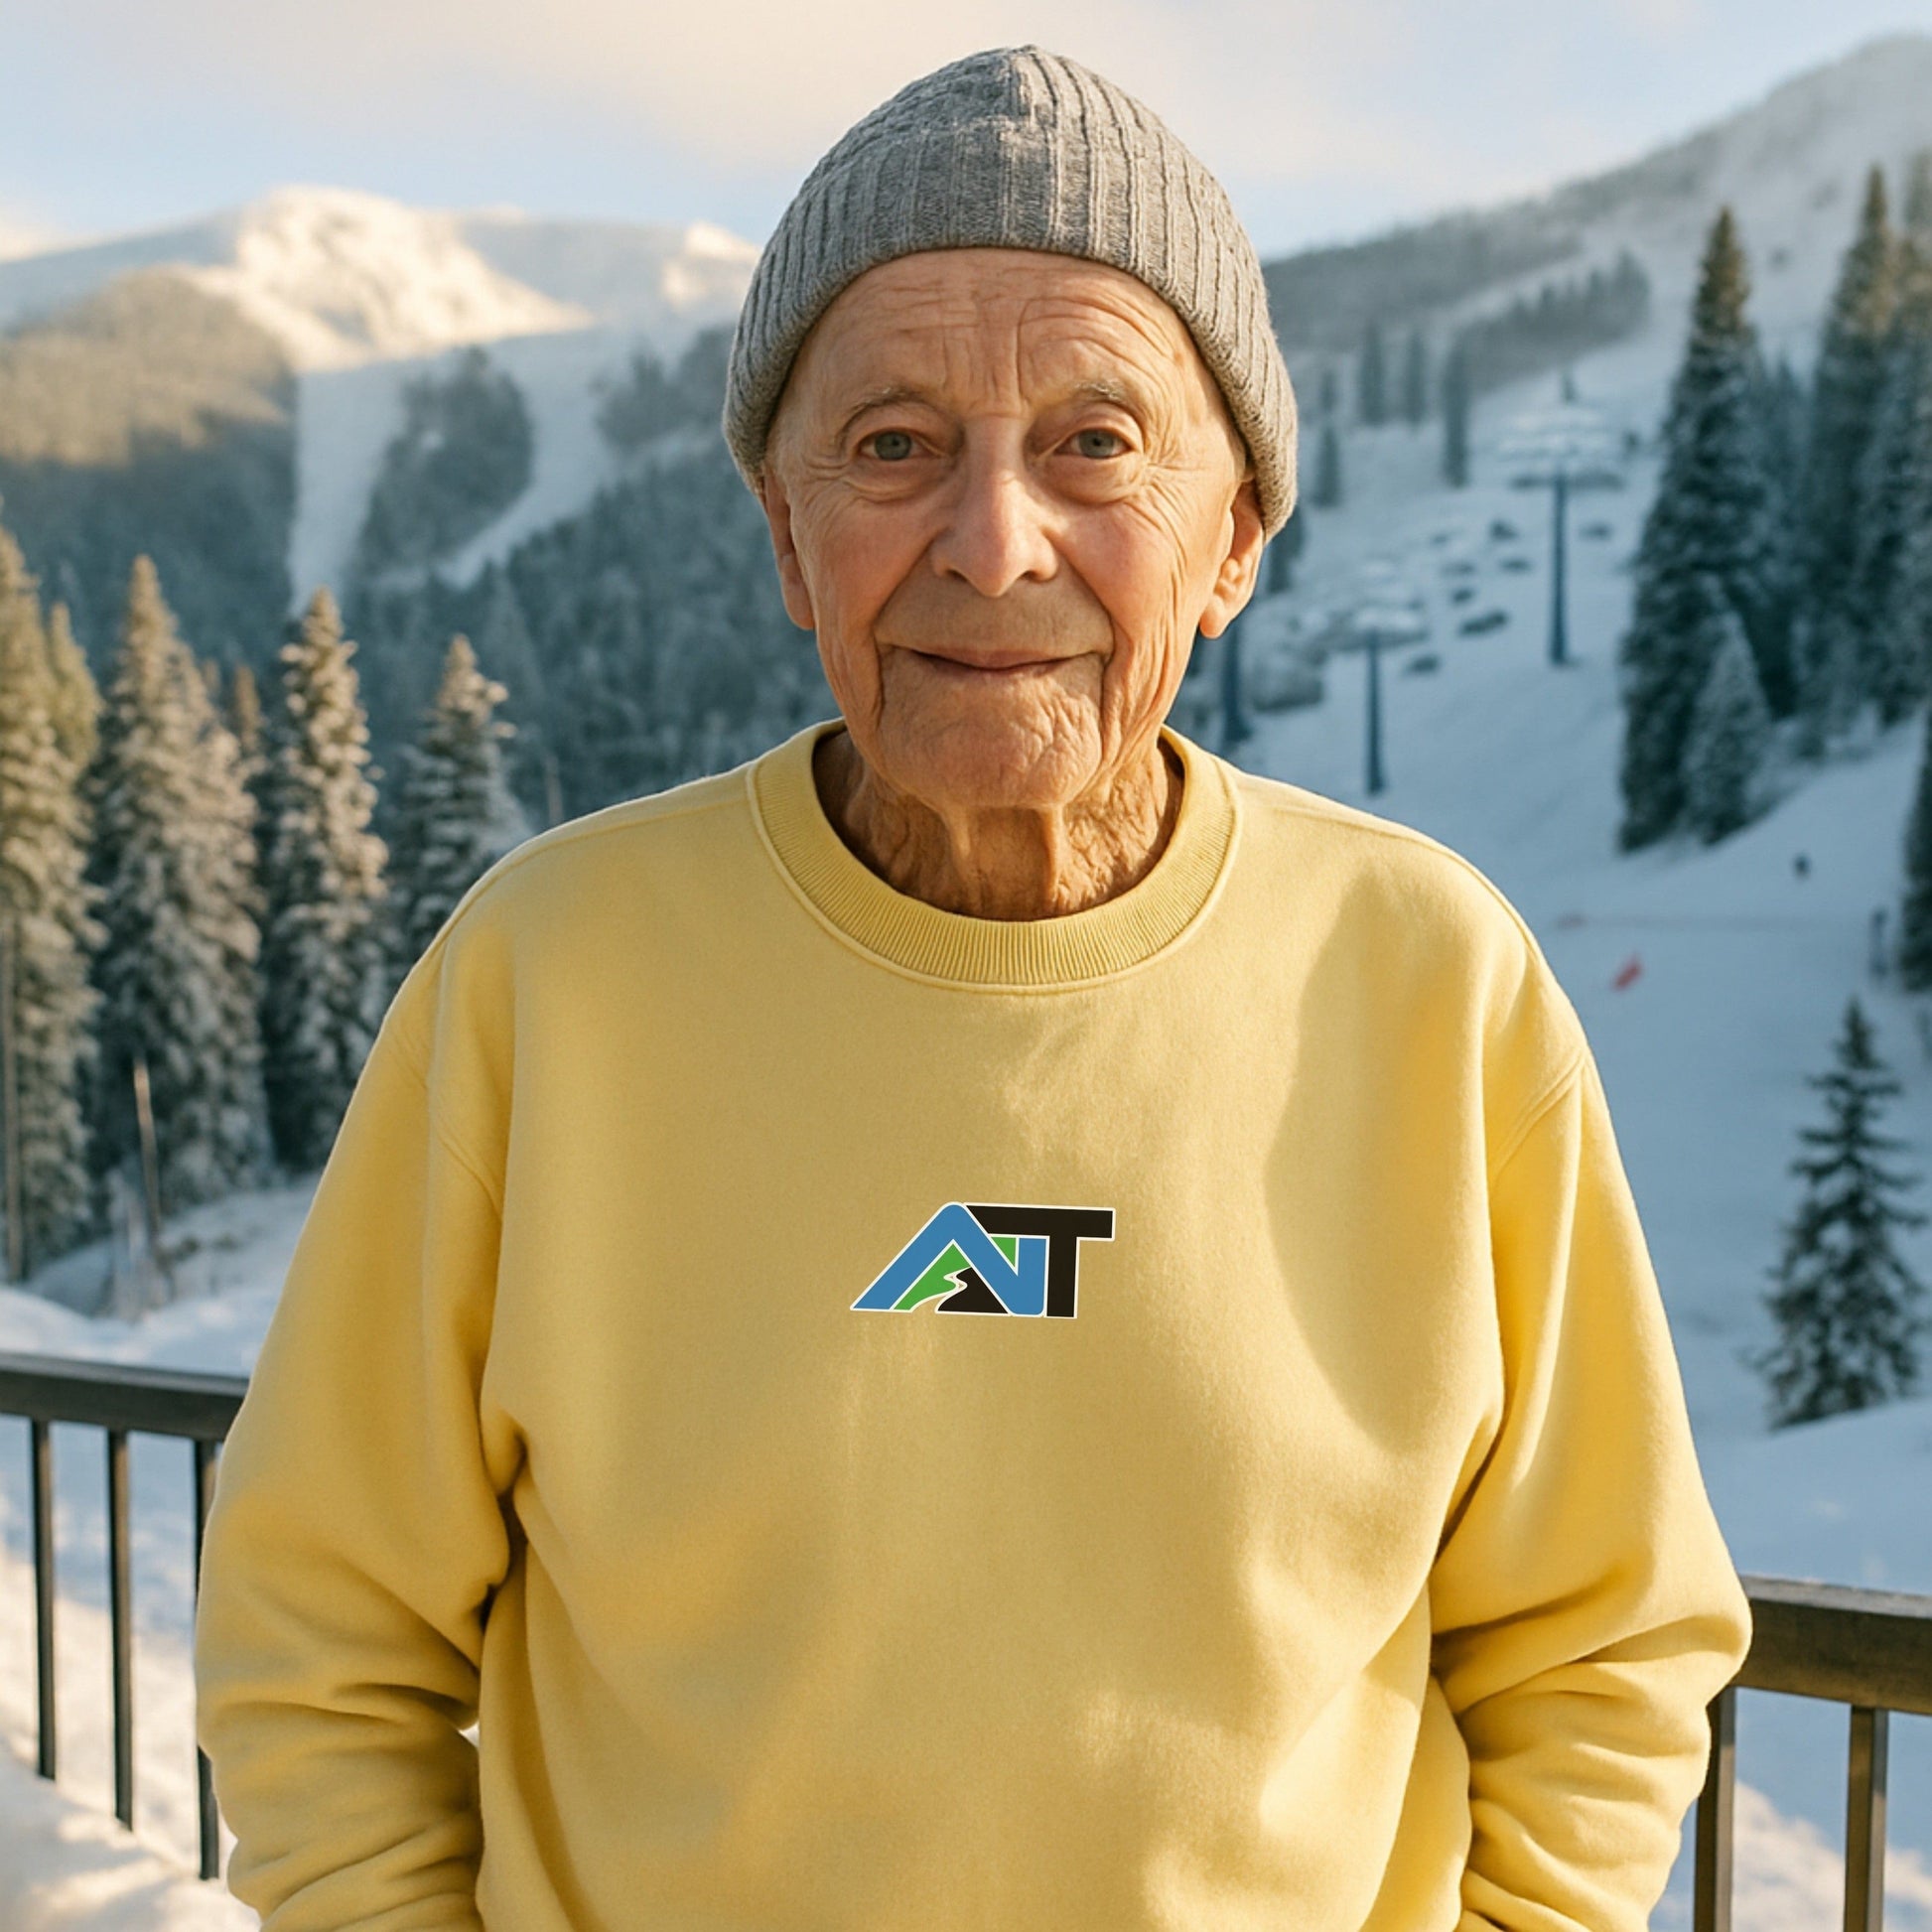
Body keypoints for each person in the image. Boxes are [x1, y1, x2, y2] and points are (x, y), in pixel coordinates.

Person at [194, 46, 1750, 1931]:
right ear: (785, 534)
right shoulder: (547, 981)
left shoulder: (1431, 984)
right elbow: (316, 1640)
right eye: (890, 445)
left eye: (1094, 443)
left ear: (1234, 537)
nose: (991, 540)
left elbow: (1606, 1643)